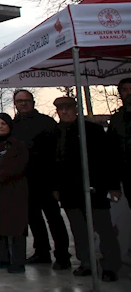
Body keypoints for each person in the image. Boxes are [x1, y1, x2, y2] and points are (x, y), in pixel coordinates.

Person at [53, 96, 121, 282]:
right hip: (69, 191)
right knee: (79, 230)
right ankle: (86, 263)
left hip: (94, 188)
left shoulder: (93, 130)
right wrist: (56, 187)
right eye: (61, 109)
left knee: (104, 229)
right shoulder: (56, 133)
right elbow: (54, 163)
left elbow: (108, 160)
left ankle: (110, 265)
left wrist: (113, 186)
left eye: (68, 108)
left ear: (75, 109)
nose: (65, 112)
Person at [11, 89, 71, 269]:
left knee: (54, 218)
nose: (23, 104)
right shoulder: (13, 126)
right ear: (15, 104)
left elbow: (58, 153)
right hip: (25, 181)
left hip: (46, 180)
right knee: (33, 219)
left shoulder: (47, 122)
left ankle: (62, 255)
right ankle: (42, 252)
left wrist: (56, 182)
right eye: (19, 101)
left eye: (26, 100)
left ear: (33, 102)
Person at [0, 113, 30, 275]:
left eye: (3, 123)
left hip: (13, 190)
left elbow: (18, 166)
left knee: (15, 226)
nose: (0, 126)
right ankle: (2, 258)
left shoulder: (17, 145)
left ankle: (18, 261)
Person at [108, 77, 131, 210]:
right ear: (120, 94)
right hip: (128, 176)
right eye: (125, 90)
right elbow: (112, 152)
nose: (129, 93)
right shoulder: (117, 120)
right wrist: (114, 184)